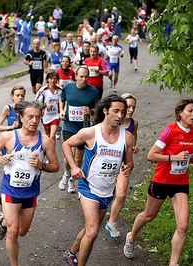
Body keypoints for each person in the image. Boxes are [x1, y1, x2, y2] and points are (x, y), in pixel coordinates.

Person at [123, 98, 193, 266]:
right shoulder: (169, 130)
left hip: (180, 183)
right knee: (148, 216)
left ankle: (173, 263)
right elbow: (151, 155)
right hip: (162, 181)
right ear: (180, 113)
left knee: (183, 225)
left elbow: (183, 153)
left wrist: (190, 159)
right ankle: (131, 237)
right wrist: (173, 158)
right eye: (190, 110)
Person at [62, 94, 134, 266]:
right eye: (116, 111)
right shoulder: (90, 132)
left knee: (89, 228)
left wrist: (128, 166)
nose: (120, 115)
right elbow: (66, 145)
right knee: (93, 231)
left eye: (122, 112)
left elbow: (129, 161)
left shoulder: (128, 137)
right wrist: (73, 166)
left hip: (108, 190)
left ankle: (70, 253)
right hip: (88, 187)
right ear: (105, 111)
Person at [0, 100, 60, 266]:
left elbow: (56, 166)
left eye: (37, 117)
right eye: (30, 117)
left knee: (22, 231)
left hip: (30, 192)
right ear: (20, 117)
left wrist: (41, 165)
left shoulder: (46, 141)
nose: (34, 121)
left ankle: (3, 221)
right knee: (13, 232)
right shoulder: (8, 136)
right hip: (10, 190)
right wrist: (0, 158)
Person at [58, 66, 99, 194]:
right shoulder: (68, 87)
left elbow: (97, 111)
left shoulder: (93, 91)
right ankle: (66, 174)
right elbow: (62, 99)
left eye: (86, 76)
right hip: (69, 125)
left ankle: (72, 180)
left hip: (84, 128)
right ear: (76, 76)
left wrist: (90, 111)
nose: (84, 79)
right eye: (81, 76)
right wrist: (62, 111)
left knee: (78, 158)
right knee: (68, 154)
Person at [105, 93, 139, 238]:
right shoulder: (110, 120)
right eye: (128, 107)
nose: (131, 110)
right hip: (107, 160)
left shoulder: (133, 123)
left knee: (122, 193)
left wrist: (134, 147)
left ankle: (111, 222)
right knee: (105, 190)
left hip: (123, 162)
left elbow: (133, 137)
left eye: (133, 107)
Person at [35, 72, 63, 144]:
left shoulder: (60, 90)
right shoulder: (43, 91)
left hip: (55, 115)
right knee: (48, 135)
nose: (53, 81)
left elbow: (63, 101)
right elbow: (37, 103)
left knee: (52, 136)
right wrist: (45, 105)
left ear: (57, 80)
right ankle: (48, 152)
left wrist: (62, 110)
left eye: (55, 79)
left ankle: (52, 153)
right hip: (46, 115)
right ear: (47, 80)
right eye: (51, 78)